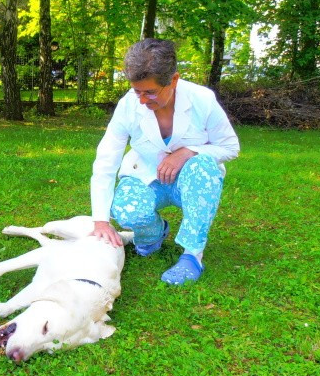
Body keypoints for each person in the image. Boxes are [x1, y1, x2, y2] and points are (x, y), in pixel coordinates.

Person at [90, 38, 240, 285]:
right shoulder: (128, 105)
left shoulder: (202, 99)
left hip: (191, 181)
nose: (142, 100)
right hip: (147, 175)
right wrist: (100, 220)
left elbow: (230, 147)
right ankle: (154, 234)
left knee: (202, 167)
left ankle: (192, 256)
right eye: (137, 91)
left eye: (150, 92)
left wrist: (188, 152)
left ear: (174, 80)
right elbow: (107, 158)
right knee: (127, 209)